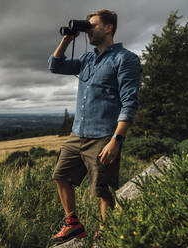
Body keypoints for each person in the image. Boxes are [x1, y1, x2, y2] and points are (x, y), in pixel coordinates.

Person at [48, 9, 142, 246]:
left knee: (103, 188)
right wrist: (67, 39)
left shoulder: (124, 58)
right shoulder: (88, 59)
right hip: (77, 132)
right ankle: (73, 225)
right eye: (87, 26)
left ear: (109, 28)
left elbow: (129, 103)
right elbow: (55, 66)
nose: (89, 30)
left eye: (93, 25)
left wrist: (116, 140)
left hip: (103, 136)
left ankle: (107, 232)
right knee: (61, 175)